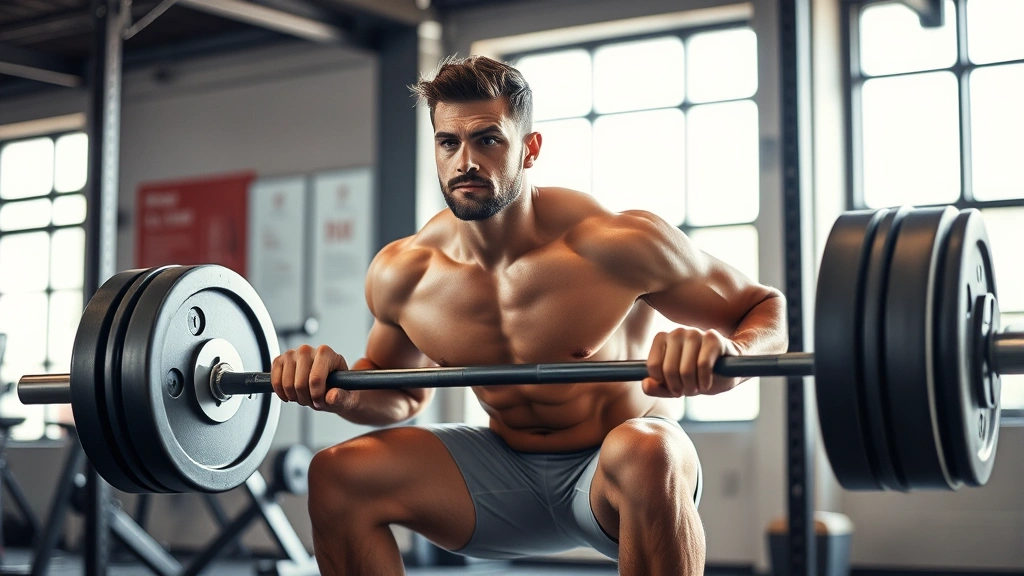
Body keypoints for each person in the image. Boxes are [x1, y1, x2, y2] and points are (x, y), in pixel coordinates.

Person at [271, 55, 787, 576]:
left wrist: (732, 357)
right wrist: (339, 388)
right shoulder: (404, 273)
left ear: (529, 148)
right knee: (337, 476)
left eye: (488, 140)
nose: (465, 161)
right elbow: (400, 392)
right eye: (448, 142)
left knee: (647, 448)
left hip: (619, 479)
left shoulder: (615, 245)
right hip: (503, 477)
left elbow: (764, 308)